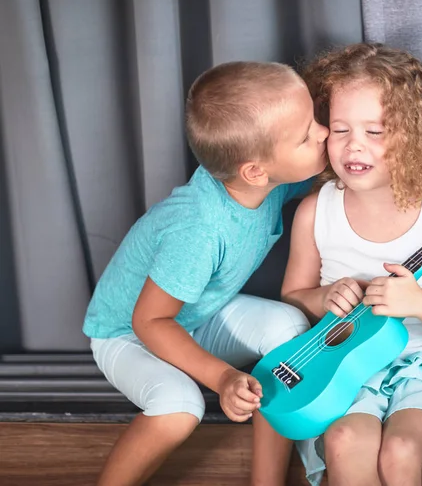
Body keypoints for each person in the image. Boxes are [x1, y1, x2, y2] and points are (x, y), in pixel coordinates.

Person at [82, 60, 329, 486]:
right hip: (128, 332)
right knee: (181, 404)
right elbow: (149, 321)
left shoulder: (258, 180)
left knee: (289, 328)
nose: (324, 132)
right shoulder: (199, 229)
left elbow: (316, 174)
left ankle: (265, 480)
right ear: (256, 170)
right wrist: (223, 377)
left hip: (194, 315)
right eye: (308, 134)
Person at [281, 43, 422, 486]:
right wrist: (323, 297)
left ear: (415, 137)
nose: (353, 146)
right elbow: (292, 295)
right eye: (341, 130)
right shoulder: (316, 211)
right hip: (345, 366)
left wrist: (420, 304)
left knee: (400, 452)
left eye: (376, 132)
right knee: (345, 439)